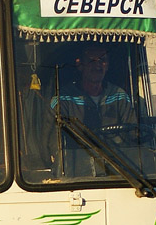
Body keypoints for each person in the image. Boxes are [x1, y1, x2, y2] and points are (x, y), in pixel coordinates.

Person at [51, 43, 140, 175]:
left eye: (102, 61)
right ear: (80, 65)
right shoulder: (63, 99)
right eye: (91, 61)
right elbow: (53, 142)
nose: (97, 66)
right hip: (75, 172)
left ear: (108, 66)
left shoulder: (119, 96)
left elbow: (134, 136)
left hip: (118, 172)